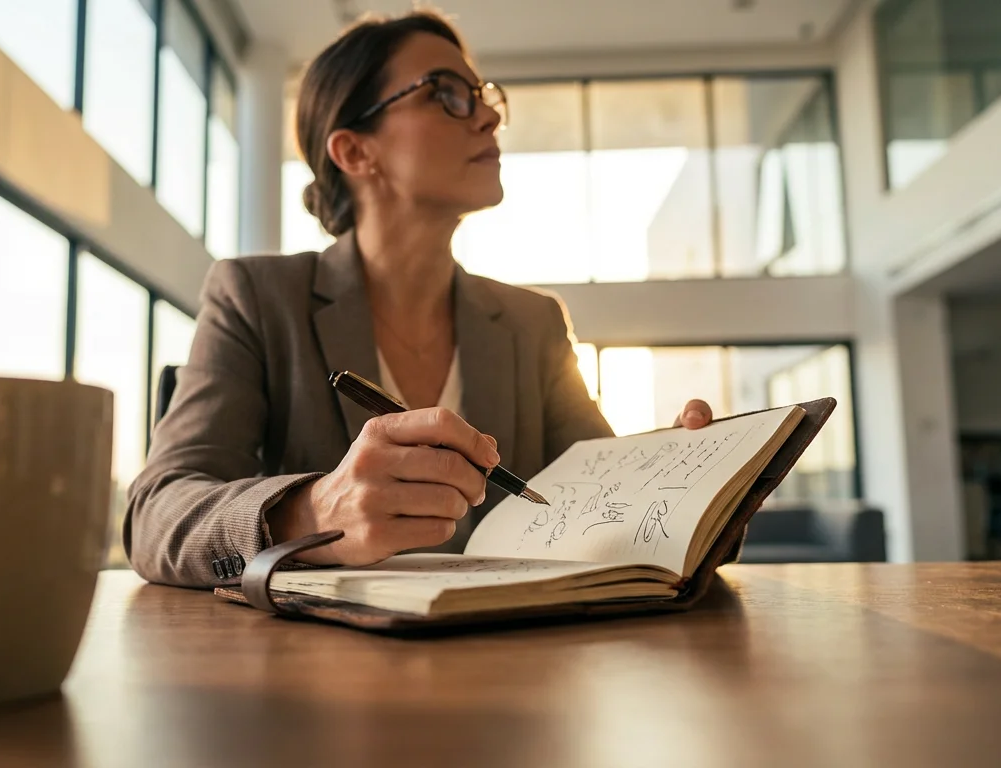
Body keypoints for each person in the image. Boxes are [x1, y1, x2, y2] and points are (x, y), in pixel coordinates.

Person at [123, 10, 713, 587]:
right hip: (317, 670)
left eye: (483, 96)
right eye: (447, 94)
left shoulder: (533, 324)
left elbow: (606, 501)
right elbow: (153, 515)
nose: (487, 116)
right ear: (356, 152)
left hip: (521, 659)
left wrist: (686, 479)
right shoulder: (256, 297)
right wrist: (312, 512)